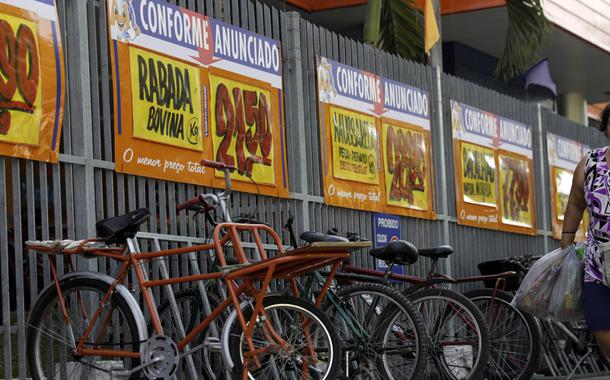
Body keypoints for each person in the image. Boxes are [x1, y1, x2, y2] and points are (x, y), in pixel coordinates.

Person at [561, 103, 610, 359]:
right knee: (600, 325)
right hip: (597, 263)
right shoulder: (590, 162)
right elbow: (576, 202)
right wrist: (566, 241)